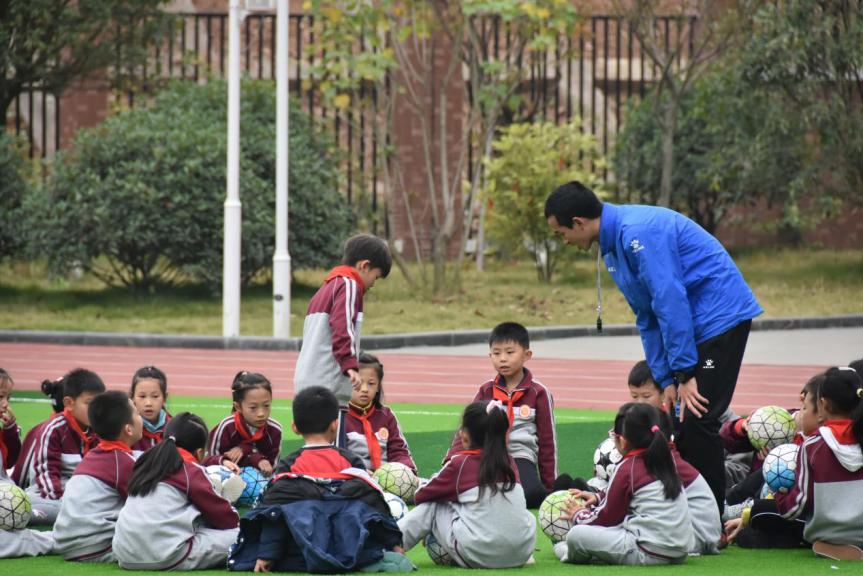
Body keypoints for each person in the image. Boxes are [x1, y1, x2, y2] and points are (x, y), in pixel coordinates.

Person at [545, 181, 762, 508]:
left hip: (720, 318)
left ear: (578, 222)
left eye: (561, 232)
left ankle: (710, 519)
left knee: (699, 418)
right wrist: (665, 379)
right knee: (682, 420)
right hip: (695, 324)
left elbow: (669, 300)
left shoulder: (638, 233)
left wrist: (685, 372)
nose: (562, 240)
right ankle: (693, 511)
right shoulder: (612, 247)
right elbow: (646, 316)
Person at [227, 386, 409, 573]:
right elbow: (372, 503)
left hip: (302, 548)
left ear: (295, 428)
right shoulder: (350, 461)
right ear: (335, 425)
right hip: (349, 546)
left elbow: (274, 512)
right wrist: (394, 543)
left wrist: (267, 554)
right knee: (364, 503)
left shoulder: (290, 464)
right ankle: (370, 557)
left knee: (279, 510)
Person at [399, 400, 537, 569]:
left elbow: (421, 495)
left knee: (435, 503)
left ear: (464, 435)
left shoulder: (461, 464)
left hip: (479, 555)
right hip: (520, 554)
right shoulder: (510, 462)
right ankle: (518, 552)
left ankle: (392, 544)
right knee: (522, 514)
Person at [555, 402, 694, 566]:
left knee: (577, 535)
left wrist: (579, 514)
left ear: (622, 441)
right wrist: (598, 497)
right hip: (679, 552)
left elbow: (607, 517)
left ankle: (569, 552)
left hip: (647, 551)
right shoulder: (665, 459)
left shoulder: (628, 467)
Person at [293, 233, 392, 448]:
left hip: (308, 380)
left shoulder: (325, 289)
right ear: (364, 266)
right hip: (328, 385)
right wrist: (349, 365)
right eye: (375, 278)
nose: (372, 285)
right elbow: (342, 325)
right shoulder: (348, 285)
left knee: (315, 448)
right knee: (332, 452)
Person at [443, 322, 556, 508]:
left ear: (527, 355)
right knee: (462, 488)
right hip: (486, 455)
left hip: (520, 456)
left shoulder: (539, 393)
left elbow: (547, 441)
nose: (502, 359)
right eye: (496, 353)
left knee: (531, 495)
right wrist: (452, 461)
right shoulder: (486, 390)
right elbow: (466, 428)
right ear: (490, 355)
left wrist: (550, 486)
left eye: (510, 352)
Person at [113, 412, 240, 571]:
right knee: (241, 535)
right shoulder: (190, 470)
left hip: (124, 555)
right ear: (200, 452)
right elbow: (226, 518)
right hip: (166, 556)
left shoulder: (145, 463)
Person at [775, 367, 863, 561]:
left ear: (822, 403)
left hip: (832, 533)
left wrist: (778, 497)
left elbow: (798, 506)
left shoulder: (813, 446)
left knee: (763, 515)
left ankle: (835, 546)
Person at [628, 359, 751, 489]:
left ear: (668, 391)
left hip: (720, 485)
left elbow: (741, 467)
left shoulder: (712, 412)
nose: (639, 403)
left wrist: (690, 473)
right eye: (634, 396)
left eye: (646, 396)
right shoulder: (642, 422)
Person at [53, 390, 143, 562]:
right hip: (96, 545)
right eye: (137, 413)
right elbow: (146, 504)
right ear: (128, 429)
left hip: (66, 544)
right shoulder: (121, 461)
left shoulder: (94, 454)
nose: (140, 418)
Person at [25, 368, 106, 524]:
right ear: (69, 403)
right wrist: (61, 501)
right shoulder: (54, 429)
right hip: (49, 495)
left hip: (82, 495)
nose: (97, 410)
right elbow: (46, 473)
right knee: (35, 507)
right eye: (90, 403)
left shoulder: (100, 429)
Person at [0, 368, 54, 559]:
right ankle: (53, 541)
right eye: (0, 397)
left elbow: (10, 460)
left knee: (56, 510)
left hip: (10, 502)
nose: (5, 404)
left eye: (8, 397)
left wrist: (10, 431)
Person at [344, 352, 416, 473]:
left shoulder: (386, 415)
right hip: (356, 477)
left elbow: (398, 451)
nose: (365, 389)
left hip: (387, 478)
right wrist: (361, 472)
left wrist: (406, 471)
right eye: (358, 383)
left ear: (378, 386)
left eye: (371, 383)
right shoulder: (340, 417)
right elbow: (338, 456)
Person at [209, 371, 281, 477]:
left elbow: (271, 469)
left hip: (260, 485)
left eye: (266, 405)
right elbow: (210, 463)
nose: (261, 414)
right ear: (238, 407)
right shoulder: (226, 427)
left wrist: (247, 451)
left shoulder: (275, 430)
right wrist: (225, 461)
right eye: (253, 407)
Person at [11, 375, 64, 487]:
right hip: (46, 500)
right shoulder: (41, 432)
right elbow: (20, 477)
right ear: (69, 402)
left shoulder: (91, 432)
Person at [130, 366, 170, 452]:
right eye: (142, 396)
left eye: (155, 396)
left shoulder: (174, 428)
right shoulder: (126, 430)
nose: (148, 403)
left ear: (165, 398)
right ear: (132, 397)